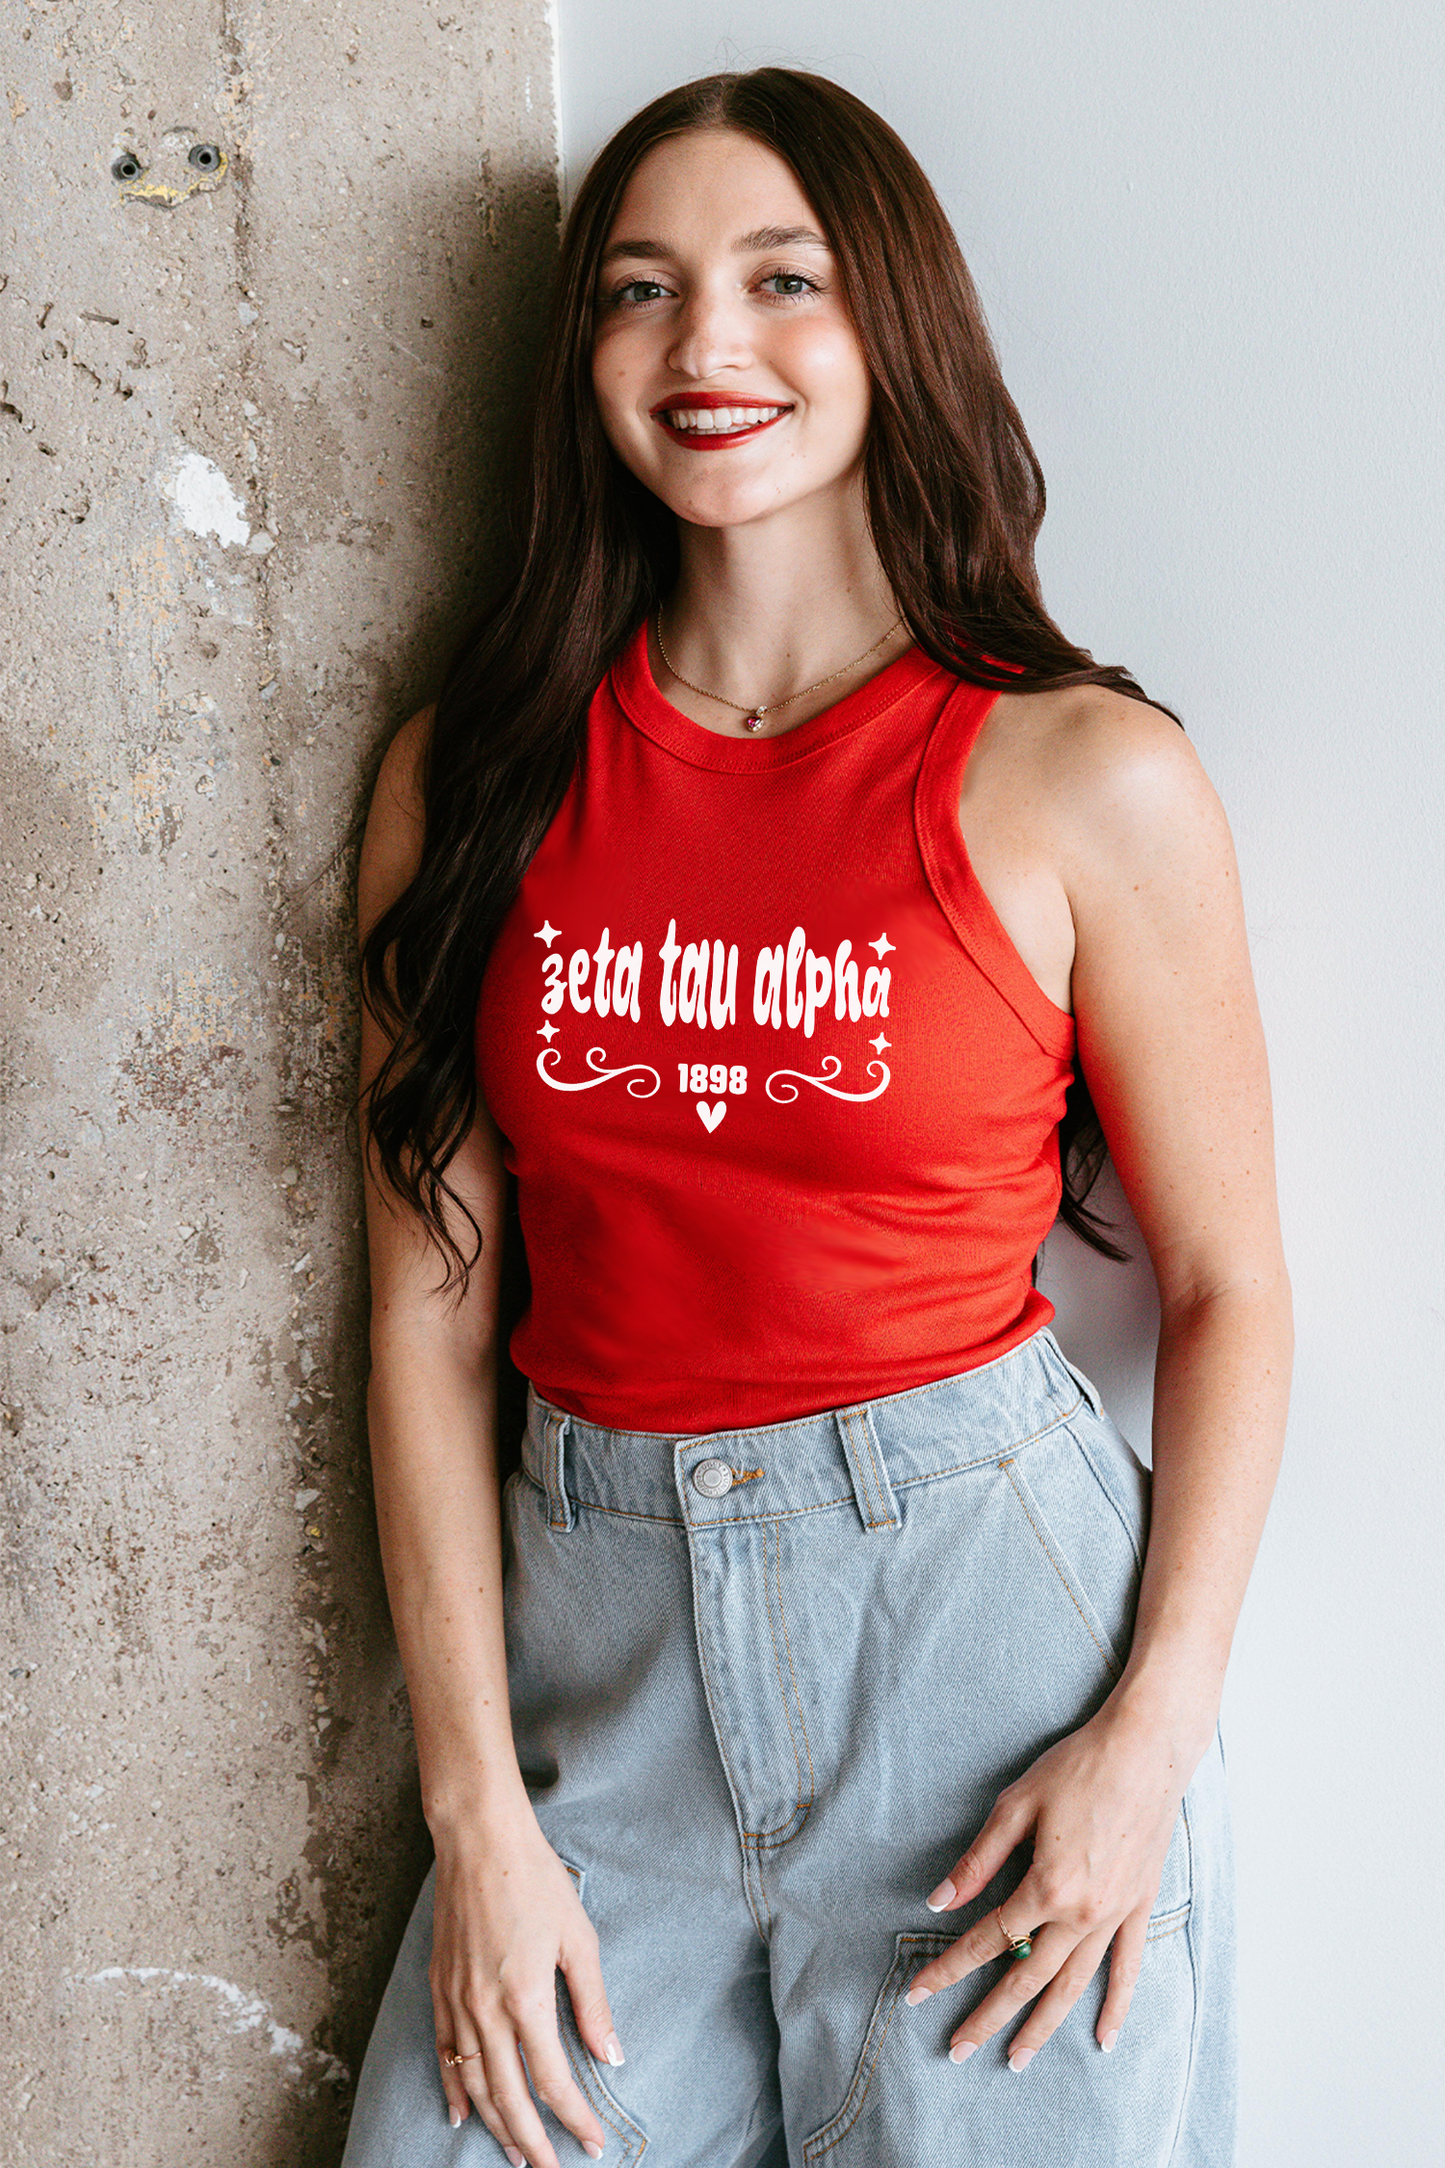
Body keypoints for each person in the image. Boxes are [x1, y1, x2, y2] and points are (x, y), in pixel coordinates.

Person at [341, 66, 1291, 2168]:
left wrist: (1149, 1738)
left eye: (782, 279)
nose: (704, 346)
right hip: (598, 1659)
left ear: (895, 332)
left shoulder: (1073, 776)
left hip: (983, 1662)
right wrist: (475, 1813)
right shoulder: (477, 773)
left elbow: (1227, 1286)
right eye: (638, 288)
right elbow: (423, 1317)